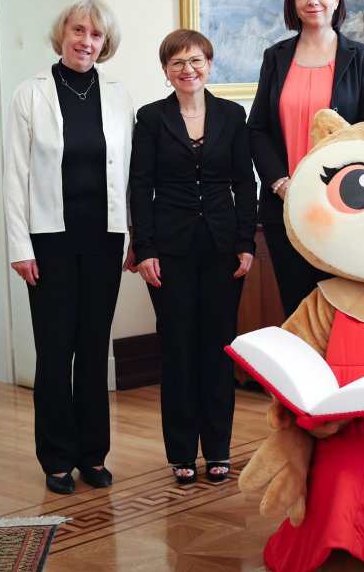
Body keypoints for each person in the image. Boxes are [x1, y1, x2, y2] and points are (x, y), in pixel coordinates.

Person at [4, 0, 135, 495]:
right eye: (78, 30)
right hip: (49, 241)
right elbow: (15, 177)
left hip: (105, 239)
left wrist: (134, 237)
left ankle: (92, 455)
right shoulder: (30, 93)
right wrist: (19, 245)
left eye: (96, 34)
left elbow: (129, 176)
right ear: (63, 33)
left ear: (106, 43)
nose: (86, 41)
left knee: (94, 349)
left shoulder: (119, 95)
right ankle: (57, 457)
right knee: (56, 351)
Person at [130, 29, 256, 485]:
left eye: (196, 60)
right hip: (170, 252)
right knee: (178, 349)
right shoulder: (151, 118)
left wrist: (247, 242)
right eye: (178, 62)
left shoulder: (232, 114)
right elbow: (140, 185)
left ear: (209, 64)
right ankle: (182, 451)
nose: (188, 69)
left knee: (219, 349)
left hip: (223, 249)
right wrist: (144, 248)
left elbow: (244, 182)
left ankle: (218, 448)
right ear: (166, 71)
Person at [248, 0, 364, 319]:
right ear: (293, 3)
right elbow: (257, 128)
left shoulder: (363, 58)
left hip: (343, 208)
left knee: (343, 313)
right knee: (298, 312)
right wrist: (280, 183)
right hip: (286, 206)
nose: (313, 0)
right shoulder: (275, 57)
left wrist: (338, 189)